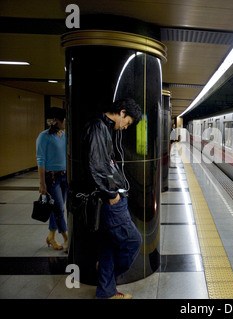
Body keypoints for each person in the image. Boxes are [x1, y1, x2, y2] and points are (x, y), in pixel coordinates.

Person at [82, 98, 142, 299]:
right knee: (133, 241)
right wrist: (112, 194)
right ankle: (108, 279)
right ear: (122, 112)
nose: (125, 127)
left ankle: (106, 292)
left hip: (111, 199)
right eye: (128, 122)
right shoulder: (98, 127)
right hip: (110, 201)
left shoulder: (104, 128)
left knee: (108, 247)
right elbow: (96, 166)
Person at [36, 107, 69, 252]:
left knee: (57, 209)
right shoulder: (44, 137)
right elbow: (41, 161)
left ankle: (51, 237)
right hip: (52, 178)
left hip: (64, 177)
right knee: (59, 210)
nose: (66, 122)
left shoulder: (65, 135)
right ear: (56, 120)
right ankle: (67, 238)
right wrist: (42, 183)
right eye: (64, 119)